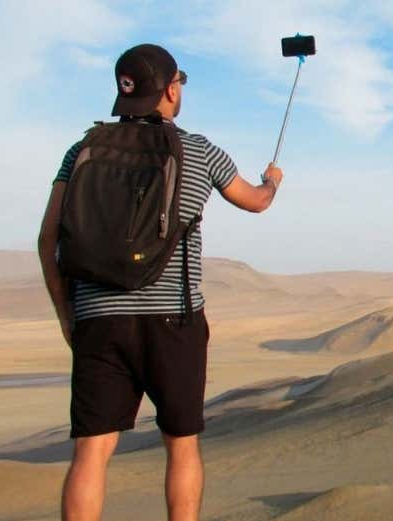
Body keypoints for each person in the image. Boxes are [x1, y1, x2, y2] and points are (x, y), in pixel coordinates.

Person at [37, 43, 283, 521]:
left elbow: (48, 240)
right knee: (182, 445)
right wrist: (272, 180)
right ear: (170, 90)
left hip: (98, 320)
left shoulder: (82, 150)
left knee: (91, 451)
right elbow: (256, 201)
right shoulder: (198, 150)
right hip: (174, 320)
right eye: (179, 83)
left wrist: (69, 316)